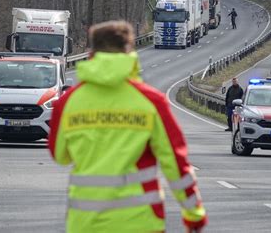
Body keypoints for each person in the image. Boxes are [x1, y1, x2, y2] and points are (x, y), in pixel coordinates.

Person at [48, 20, 207, 233]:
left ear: (91, 52)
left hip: (85, 222)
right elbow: (175, 163)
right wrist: (193, 213)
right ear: (129, 50)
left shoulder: (68, 102)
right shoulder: (151, 102)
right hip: (140, 221)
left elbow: (60, 155)